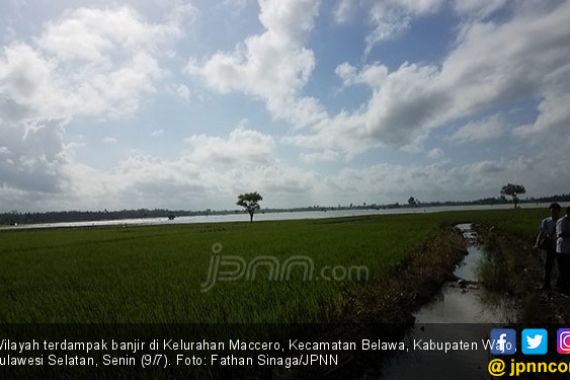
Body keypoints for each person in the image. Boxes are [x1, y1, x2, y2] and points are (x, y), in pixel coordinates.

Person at [534, 203, 561, 289]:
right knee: (548, 266)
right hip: (549, 246)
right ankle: (547, 284)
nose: (553, 212)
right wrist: (537, 243)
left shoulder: (562, 221)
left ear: (558, 211)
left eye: (555, 210)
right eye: (552, 210)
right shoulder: (546, 221)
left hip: (559, 247)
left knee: (559, 266)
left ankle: (558, 284)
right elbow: (541, 233)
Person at [556, 206, 570, 293]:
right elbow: (561, 233)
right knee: (563, 270)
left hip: (568, 249)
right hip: (563, 250)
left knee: (568, 270)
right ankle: (562, 288)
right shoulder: (562, 221)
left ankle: (564, 287)